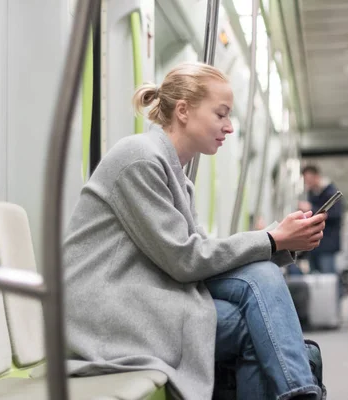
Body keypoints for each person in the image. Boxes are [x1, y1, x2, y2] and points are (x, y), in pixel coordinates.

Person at [63, 62, 326, 400]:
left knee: (260, 277)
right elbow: (185, 261)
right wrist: (272, 239)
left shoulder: (176, 177)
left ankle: (300, 393)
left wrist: (277, 240)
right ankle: (301, 392)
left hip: (146, 298)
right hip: (106, 316)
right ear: (184, 111)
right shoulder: (139, 158)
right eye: (221, 115)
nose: (229, 127)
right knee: (254, 327)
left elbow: (197, 255)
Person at [299, 165, 343, 274]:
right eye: (305, 180)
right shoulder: (311, 194)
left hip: (327, 245)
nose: (307, 183)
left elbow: (336, 214)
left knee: (328, 279)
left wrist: (311, 208)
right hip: (313, 245)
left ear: (317, 177)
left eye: (309, 180)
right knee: (316, 281)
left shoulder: (331, 192)